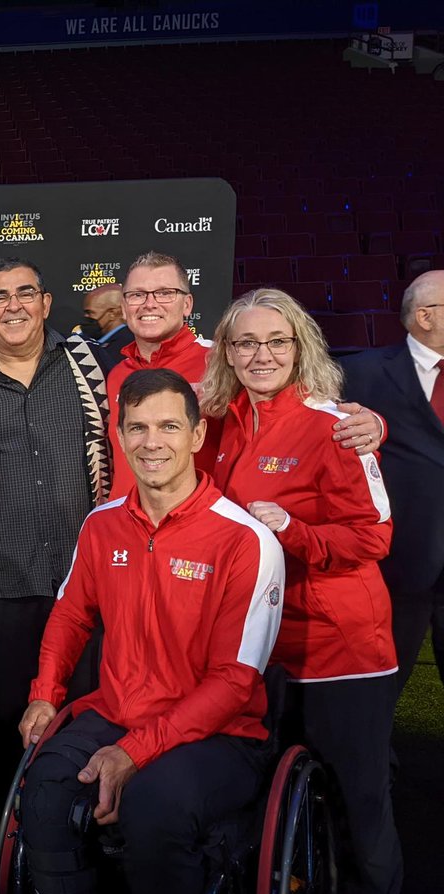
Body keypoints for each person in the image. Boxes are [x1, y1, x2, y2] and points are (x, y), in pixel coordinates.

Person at [17, 368, 284, 894]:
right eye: (137, 428)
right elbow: (71, 615)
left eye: (167, 427)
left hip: (219, 736)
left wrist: (135, 751)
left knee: (154, 807)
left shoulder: (247, 541)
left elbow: (234, 682)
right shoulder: (102, 523)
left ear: (197, 435)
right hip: (115, 713)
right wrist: (45, 694)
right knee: (44, 791)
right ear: (118, 437)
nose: (151, 443)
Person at [202, 288, 401, 894]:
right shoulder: (223, 425)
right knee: (280, 806)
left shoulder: (336, 425)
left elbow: (374, 538)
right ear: (228, 354)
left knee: (357, 805)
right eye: (246, 343)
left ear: (299, 347)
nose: (262, 354)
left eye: (276, 341)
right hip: (264, 650)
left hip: (339, 650)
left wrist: (291, 531)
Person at [0, 256, 110, 775]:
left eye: (25, 293)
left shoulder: (89, 363)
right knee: (10, 725)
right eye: (0, 297)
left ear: (46, 303)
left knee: (87, 720)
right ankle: (8, 840)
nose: (13, 306)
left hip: (83, 582)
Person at [106, 251, 383, 500]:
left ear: (187, 304)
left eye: (165, 292)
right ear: (124, 305)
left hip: (201, 529)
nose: (149, 304)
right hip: (129, 529)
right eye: (137, 295)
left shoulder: (223, 359)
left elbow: (301, 407)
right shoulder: (115, 373)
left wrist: (375, 424)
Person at [340, 271, 444, 694]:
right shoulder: (359, 372)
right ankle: (379, 756)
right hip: (401, 558)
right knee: (386, 676)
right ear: (424, 316)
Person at [79, 282, 131, 359]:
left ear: (112, 314)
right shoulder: (91, 342)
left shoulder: (125, 347)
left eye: (90, 313)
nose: (86, 317)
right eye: (85, 313)